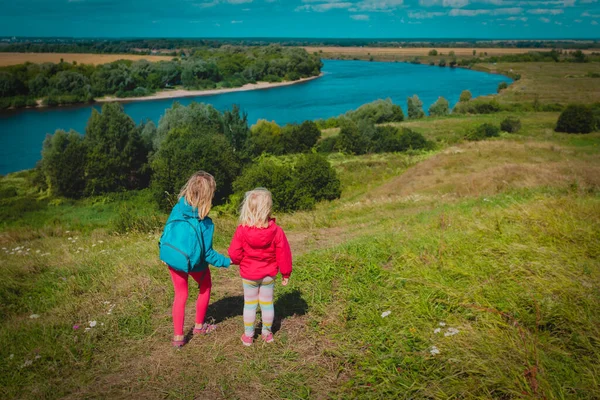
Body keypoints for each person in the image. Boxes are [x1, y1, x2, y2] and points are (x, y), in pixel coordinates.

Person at [165, 171, 230, 347]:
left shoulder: (177, 207)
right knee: (205, 286)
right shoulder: (206, 222)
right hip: (196, 264)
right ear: (209, 196)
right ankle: (199, 327)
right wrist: (227, 261)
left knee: (180, 294)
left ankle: (178, 337)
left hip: (174, 259)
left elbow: (168, 232)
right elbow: (208, 254)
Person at [228, 188, 292, 346]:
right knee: (267, 303)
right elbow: (283, 254)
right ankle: (266, 334)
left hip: (249, 275)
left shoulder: (242, 230)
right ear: (268, 209)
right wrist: (286, 273)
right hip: (268, 275)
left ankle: (248, 336)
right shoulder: (276, 231)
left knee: (250, 304)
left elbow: (234, 253)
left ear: (247, 208)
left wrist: (236, 261)